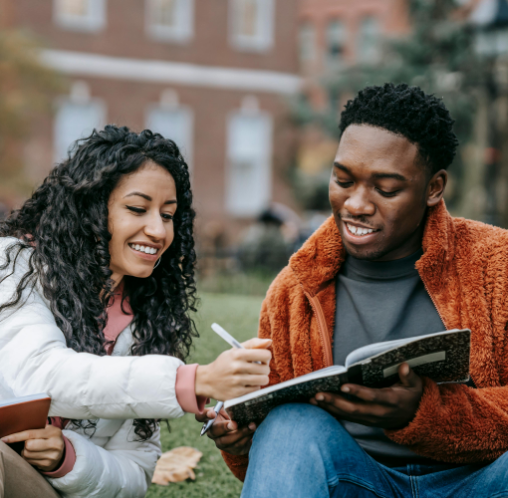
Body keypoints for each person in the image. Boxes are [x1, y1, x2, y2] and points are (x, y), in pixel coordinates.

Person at [198, 84, 508, 497]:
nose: (356, 204)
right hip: (358, 481)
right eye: (343, 179)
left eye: (386, 188)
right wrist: (240, 439)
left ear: (434, 187)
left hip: (479, 482)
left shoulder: (495, 264)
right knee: (289, 424)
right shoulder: (294, 289)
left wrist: (425, 413)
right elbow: (285, 460)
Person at [0, 126, 271, 498]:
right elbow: (41, 374)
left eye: (169, 215)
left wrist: (68, 457)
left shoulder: (148, 319)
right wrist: (192, 382)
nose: (158, 230)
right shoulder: (10, 265)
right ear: (90, 207)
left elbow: (135, 471)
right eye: (137, 209)